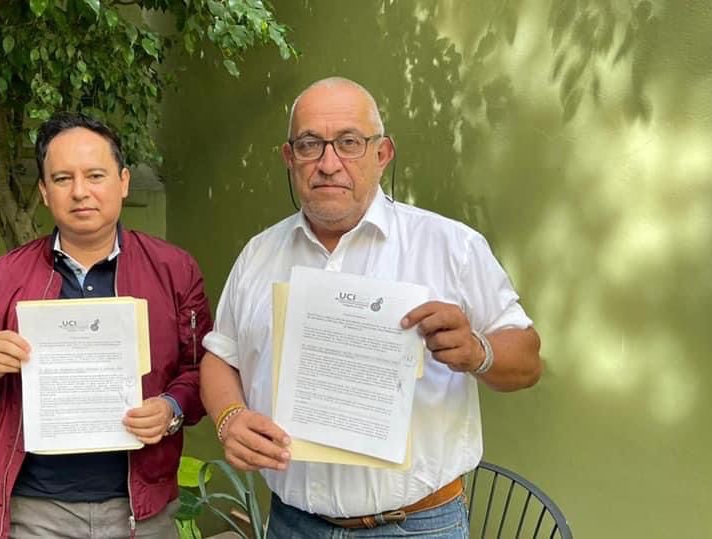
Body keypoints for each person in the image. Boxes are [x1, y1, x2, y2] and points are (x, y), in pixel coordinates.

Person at [199, 77, 542, 538]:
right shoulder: (259, 255)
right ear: (289, 158)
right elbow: (221, 356)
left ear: (382, 154)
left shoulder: (451, 246)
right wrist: (230, 417)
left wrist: (479, 351)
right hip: (292, 523)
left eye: (349, 143)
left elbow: (528, 361)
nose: (328, 164)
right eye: (309, 145)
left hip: (416, 527)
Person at [0, 112, 211, 539]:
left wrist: (171, 409)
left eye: (95, 175)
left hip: (141, 509)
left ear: (123, 181)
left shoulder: (174, 269)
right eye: (62, 179)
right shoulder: (3, 277)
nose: (80, 192)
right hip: (37, 512)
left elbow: (200, 370)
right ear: (45, 192)